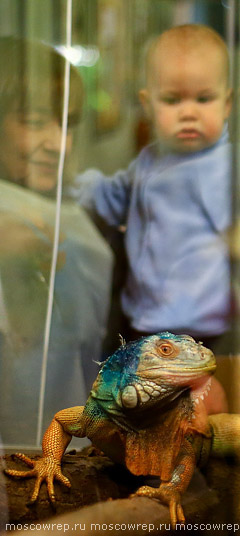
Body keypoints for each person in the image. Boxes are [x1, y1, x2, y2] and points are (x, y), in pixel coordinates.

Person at [73, 25, 240, 367]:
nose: (189, 112)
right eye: (172, 99)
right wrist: (72, 188)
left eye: (203, 98)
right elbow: (113, 198)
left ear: (227, 103)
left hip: (212, 328)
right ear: (147, 105)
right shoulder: (149, 161)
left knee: (209, 413)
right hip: (145, 323)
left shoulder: (239, 166)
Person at [0, 37, 113, 448]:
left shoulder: (71, 213)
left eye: (68, 123)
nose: (59, 144)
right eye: (34, 122)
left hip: (71, 446)